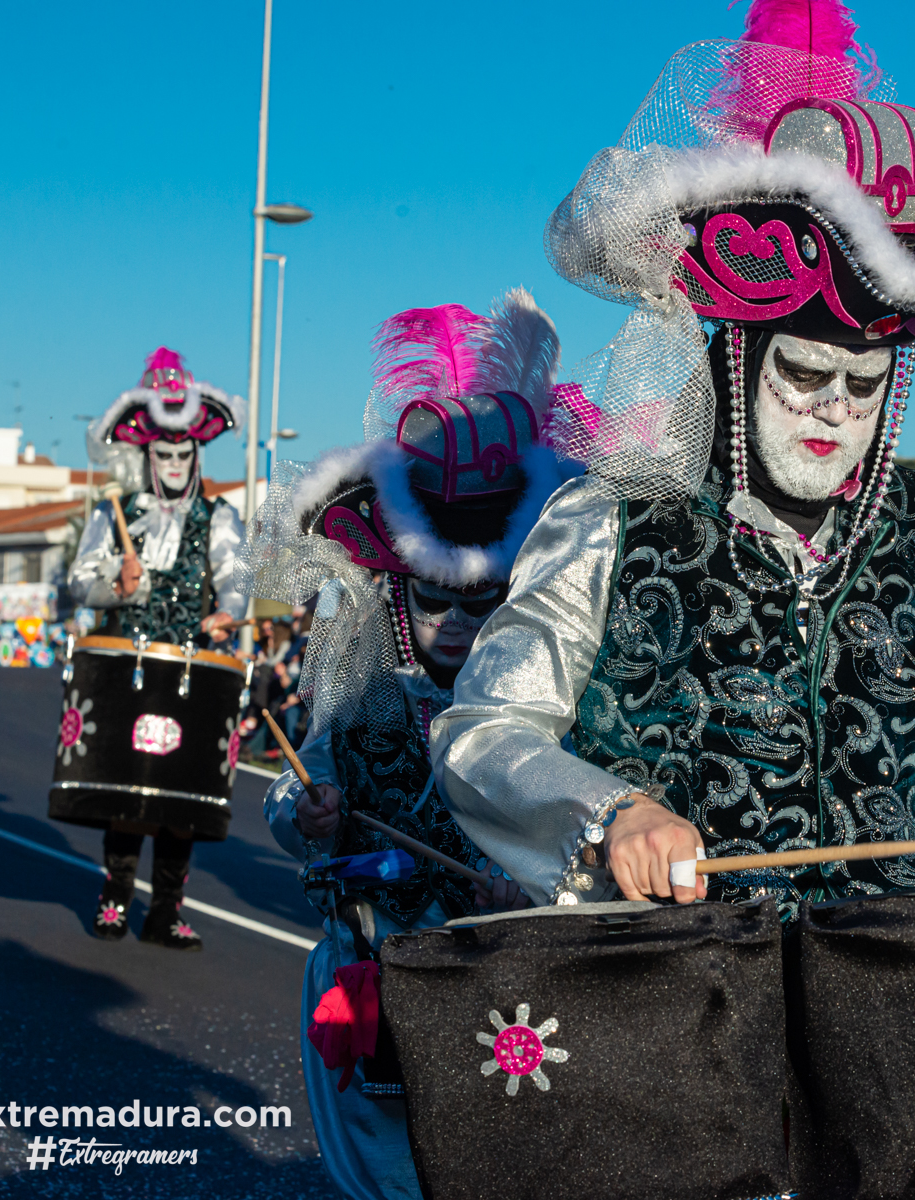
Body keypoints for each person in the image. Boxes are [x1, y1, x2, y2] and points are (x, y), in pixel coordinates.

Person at [432, 1, 915, 913]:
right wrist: (613, 814)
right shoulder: (615, 514)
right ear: (738, 361)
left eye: (864, 385)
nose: (834, 406)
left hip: (900, 983)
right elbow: (483, 733)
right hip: (693, 997)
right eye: (806, 371)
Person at [248, 291, 567, 1200]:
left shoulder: (548, 708)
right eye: (438, 604)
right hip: (376, 967)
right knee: (389, 1173)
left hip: (509, 980)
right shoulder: (360, 695)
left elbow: (584, 826)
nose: (462, 629)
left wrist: (534, 894)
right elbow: (289, 794)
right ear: (398, 593)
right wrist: (308, 816)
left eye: (485, 605)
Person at [58, 349, 248, 950]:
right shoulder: (117, 516)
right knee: (126, 788)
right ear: (145, 455)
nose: (172, 464)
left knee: (180, 791)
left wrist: (228, 612)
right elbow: (77, 581)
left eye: (182, 453)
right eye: (162, 454)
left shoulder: (219, 517)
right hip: (125, 665)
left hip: (191, 666)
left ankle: (166, 908)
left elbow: (237, 578)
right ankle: (115, 897)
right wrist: (115, 583)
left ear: (196, 454)